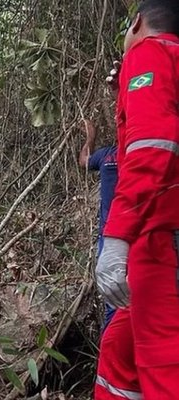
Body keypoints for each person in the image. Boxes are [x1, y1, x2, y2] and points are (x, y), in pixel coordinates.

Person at [94, 1, 179, 399]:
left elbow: (152, 147)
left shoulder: (150, 52)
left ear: (137, 22)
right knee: (119, 356)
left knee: (166, 370)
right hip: (157, 239)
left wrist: (116, 240)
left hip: (163, 242)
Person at [78, 119, 118, 329]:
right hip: (127, 234)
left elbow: (84, 161)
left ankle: (109, 354)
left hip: (111, 235)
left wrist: (90, 137)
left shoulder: (107, 155)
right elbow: (84, 162)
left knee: (113, 300)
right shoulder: (146, 152)